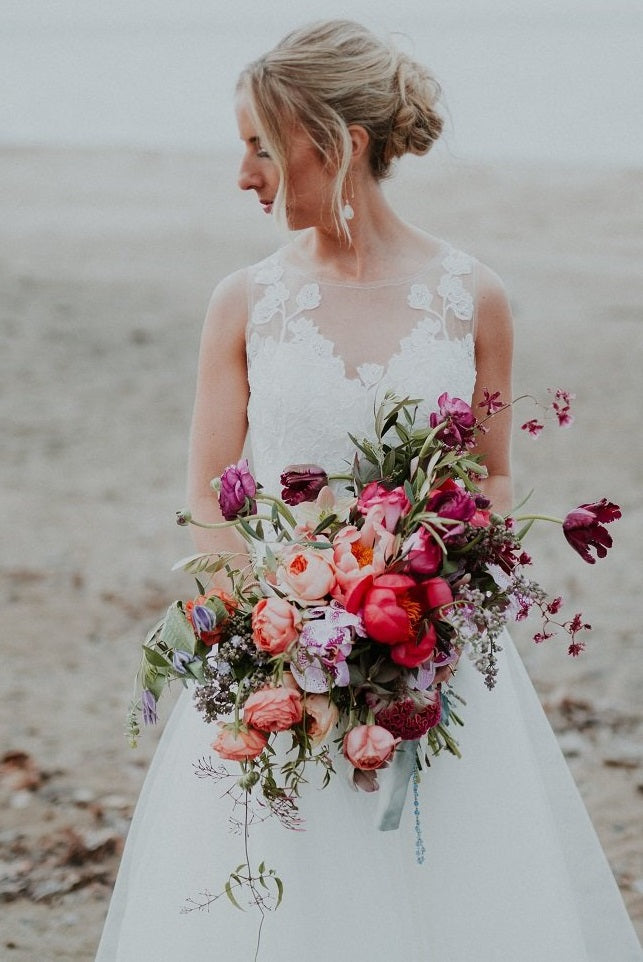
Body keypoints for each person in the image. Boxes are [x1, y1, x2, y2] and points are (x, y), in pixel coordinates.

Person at [96, 20, 642, 961]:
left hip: (428, 655)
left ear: (338, 143)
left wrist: (436, 601)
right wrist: (269, 631)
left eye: (261, 148)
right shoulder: (244, 301)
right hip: (277, 660)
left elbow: (494, 475)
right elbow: (207, 499)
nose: (242, 176)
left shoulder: (473, 295)